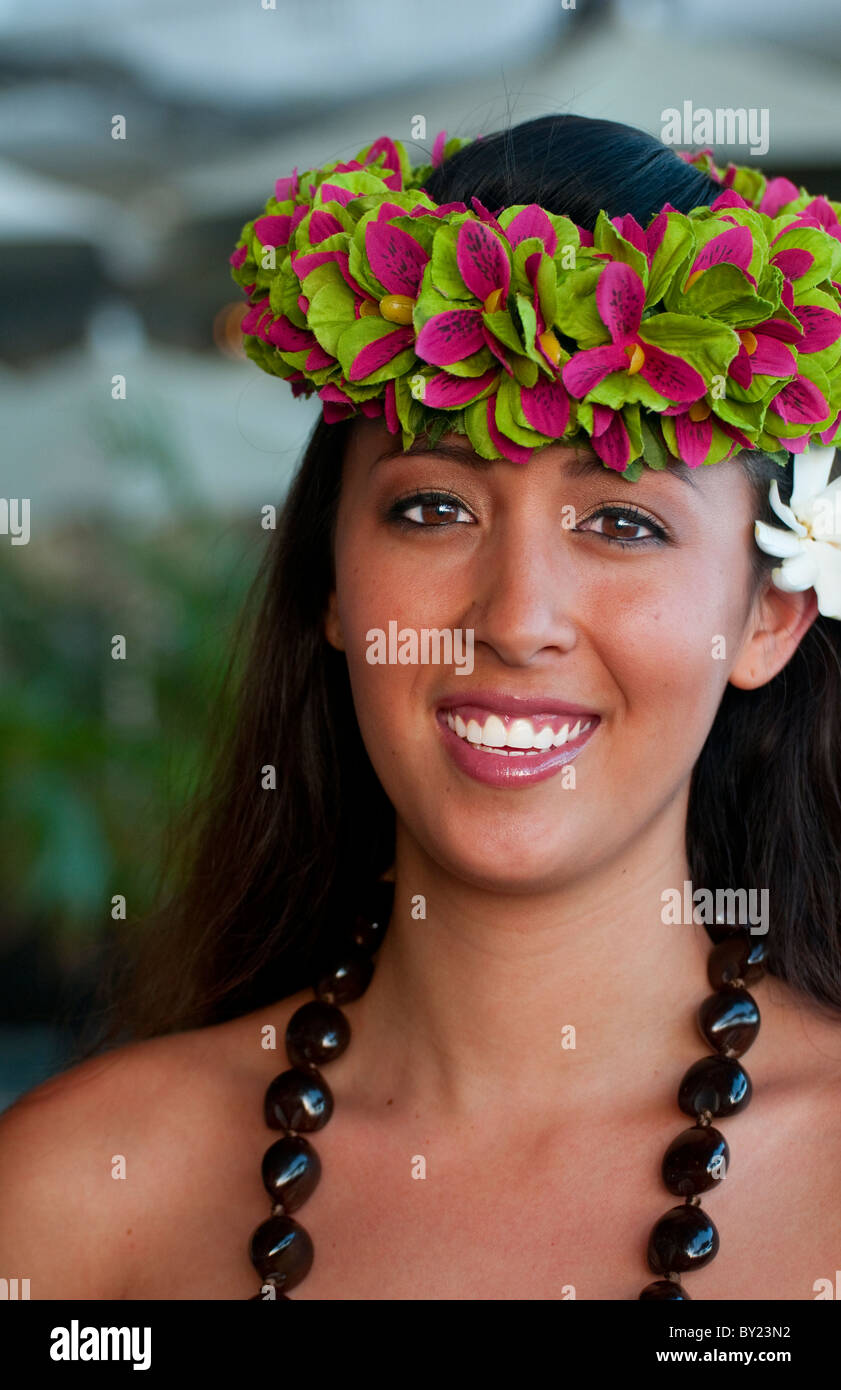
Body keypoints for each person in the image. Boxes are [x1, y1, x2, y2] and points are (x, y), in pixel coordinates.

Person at [2, 113, 841, 1302]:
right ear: (335, 582)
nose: (514, 617)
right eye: (432, 508)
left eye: (622, 521)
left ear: (769, 619)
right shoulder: (75, 1200)